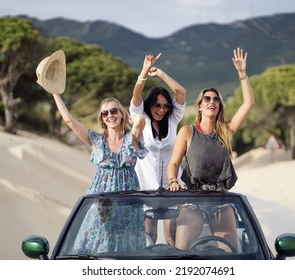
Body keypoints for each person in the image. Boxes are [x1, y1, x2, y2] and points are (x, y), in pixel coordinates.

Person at [36, 50, 149, 253]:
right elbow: (70, 121)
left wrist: (135, 119)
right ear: (102, 118)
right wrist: (54, 92)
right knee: (96, 237)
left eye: (114, 111)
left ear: (122, 115)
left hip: (128, 196)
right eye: (105, 113)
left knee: (126, 240)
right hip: (101, 197)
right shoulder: (97, 140)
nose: (109, 115)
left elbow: (140, 122)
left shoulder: (132, 138)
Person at [166, 47, 255, 251]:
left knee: (230, 253)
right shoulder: (188, 131)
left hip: (220, 199)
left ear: (219, 106)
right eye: (207, 99)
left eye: (215, 99)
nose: (211, 102)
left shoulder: (225, 131)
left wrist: (242, 74)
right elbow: (174, 163)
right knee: (182, 253)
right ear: (199, 106)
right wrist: (172, 181)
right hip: (192, 197)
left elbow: (249, 104)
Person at [130, 53, 186, 245]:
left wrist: (160, 73)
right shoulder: (141, 118)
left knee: (171, 235)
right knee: (149, 234)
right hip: (146, 185)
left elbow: (181, 93)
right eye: (157, 105)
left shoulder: (173, 119)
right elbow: (136, 95)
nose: (162, 109)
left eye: (165, 106)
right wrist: (145, 71)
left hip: (172, 184)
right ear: (150, 104)